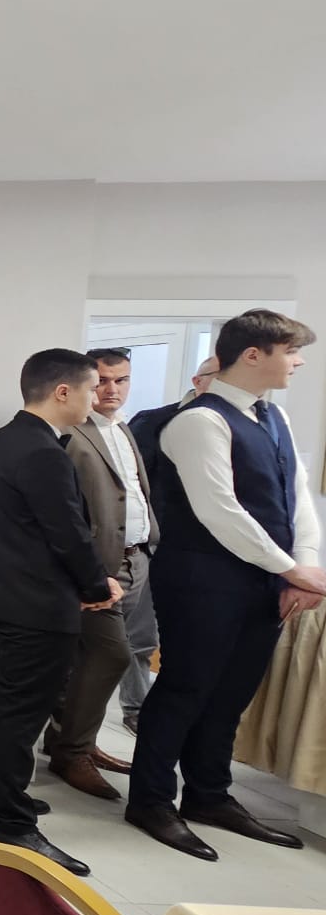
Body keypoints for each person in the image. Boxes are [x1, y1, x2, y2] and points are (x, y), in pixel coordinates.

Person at [129, 310, 323, 860]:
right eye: (291, 351)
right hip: (202, 578)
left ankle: (209, 794)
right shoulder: (198, 421)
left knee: (233, 691)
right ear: (253, 355)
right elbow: (220, 510)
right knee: (185, 688)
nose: (298, 362)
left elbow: (296, 497)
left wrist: (304, 566)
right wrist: (290, 569)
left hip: (264, 579)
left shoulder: (274, 415)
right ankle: (150, 800)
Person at [0, 348, 122, 877]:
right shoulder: (42, 452)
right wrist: (96, 585)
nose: (98, 399)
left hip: (2, 594)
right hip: (37, 602)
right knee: (19, 710)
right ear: (63, 391)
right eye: (93, 388)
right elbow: (67, 532)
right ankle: (9, 823)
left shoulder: (3, 439)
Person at [39, 348, 159, 799]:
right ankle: (73, 751)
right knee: (110, 655)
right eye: (102, 381)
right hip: (95, 565)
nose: (111, 390)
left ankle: (75, 742)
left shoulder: (124, 428)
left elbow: (133, 493)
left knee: (92, 658)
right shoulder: (69, 431)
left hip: (136, 558)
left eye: (121, 380)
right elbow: (62, 509)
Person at [119, 354, 217, 734]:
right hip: (155, 545)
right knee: (140, 636)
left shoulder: (242, 426)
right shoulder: (153, 421)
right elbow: (130, 485)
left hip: (207, 553)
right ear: (198, 380)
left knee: (187, 638)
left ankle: (177, 713)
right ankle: (136, 707)